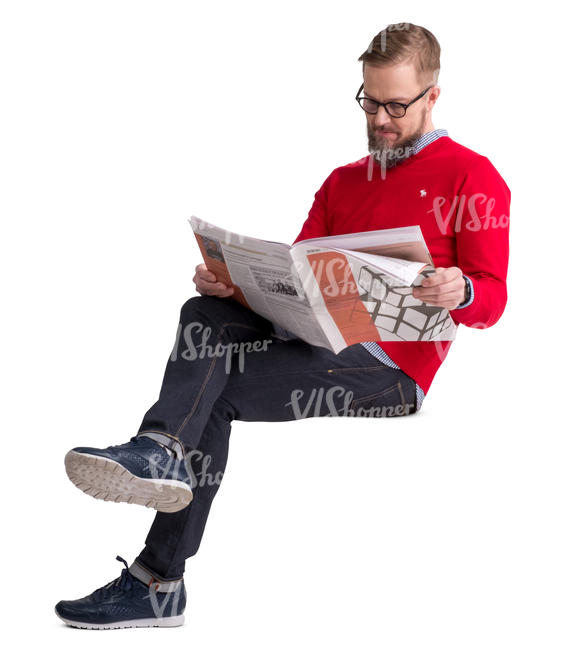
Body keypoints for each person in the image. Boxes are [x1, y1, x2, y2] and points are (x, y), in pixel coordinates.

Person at [54, 22, 510, 629]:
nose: (380, 120)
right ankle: (160, 453)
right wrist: (236, 286)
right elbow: (298, 283)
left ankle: (157, 580)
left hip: (391, 369)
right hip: (321, 339)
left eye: (396, 106)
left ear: (433, 97)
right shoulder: (343, 181)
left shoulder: (472, 177)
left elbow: (494, 299)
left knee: (208, 395)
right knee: (203, 313)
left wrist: (463, 288)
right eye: (369, 102)